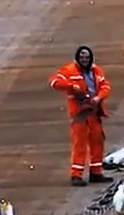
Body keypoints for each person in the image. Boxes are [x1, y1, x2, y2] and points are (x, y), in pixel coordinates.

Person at [48, 45, 113, 186]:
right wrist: (71, 87)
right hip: (80, 115)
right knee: (80, 144)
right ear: (77, 58)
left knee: (97, 142)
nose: (85, 60)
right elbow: (54, 82)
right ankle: (76, 175)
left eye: (87, 57)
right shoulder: (69, 71)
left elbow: (105, 87)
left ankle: (96, 172)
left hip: (94, 113)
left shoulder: (96, 71)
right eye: (82, 57)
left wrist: (98, 98)